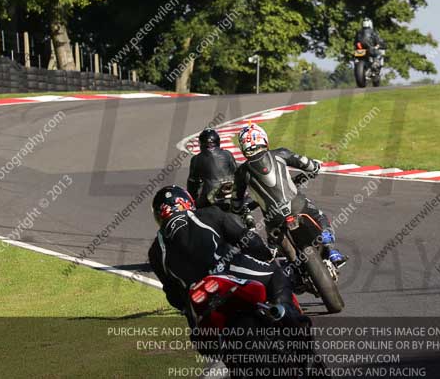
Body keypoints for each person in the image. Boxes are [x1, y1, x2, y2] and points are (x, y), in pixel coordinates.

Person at [147, 185, 303, 320]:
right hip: (226, 271)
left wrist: (186, 307)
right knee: (276, 273)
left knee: (198, 329)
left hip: (198, 297)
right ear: (186, 202)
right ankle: (288, 315)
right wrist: (266, 255)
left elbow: (172, 294)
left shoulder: (155, 251)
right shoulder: (208, 214)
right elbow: (246, 239)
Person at [233, 123, 347, 266]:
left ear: (243, 147)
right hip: (296, 205)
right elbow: (307, 164)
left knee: (274, 248)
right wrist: (315, 167)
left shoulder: (241, 172)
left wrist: (240, 209)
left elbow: (236, 202)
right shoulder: (280, 153)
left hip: (273, 219)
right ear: (264, 139)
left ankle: (289, 266)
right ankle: (331, 251)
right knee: (320, 216)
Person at [187, 128, 239, 208]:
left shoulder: (196, 159)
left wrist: (193, 200)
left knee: (196, 210)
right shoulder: (227, 154)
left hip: (209, 197)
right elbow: (237, 174)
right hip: (229, 194)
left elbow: (192, 184)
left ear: (201, 143)